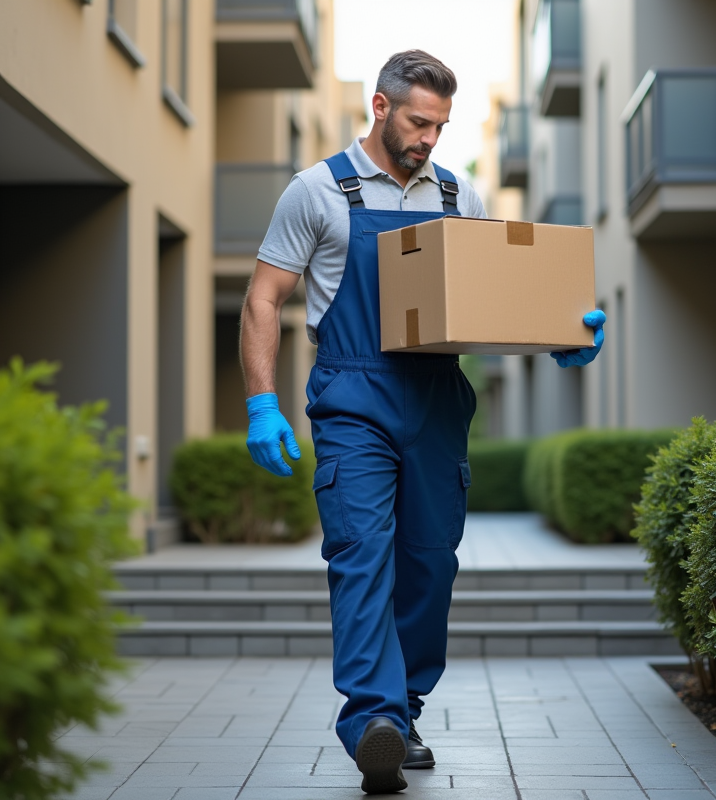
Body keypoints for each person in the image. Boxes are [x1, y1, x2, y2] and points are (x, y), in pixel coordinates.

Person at [239, 50, 606, 795]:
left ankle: (401, 715)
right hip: (353, 401)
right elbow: (263, 298)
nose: (429, 139)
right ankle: (372, 718)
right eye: (417, 122)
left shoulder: (458, 194)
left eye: (440, 126)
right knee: (362, 554)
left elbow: (492, 295)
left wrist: (559, 335)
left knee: (430, 563)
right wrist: (262, 402)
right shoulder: (317, 192)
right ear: (380, 107)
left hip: (438, 399)